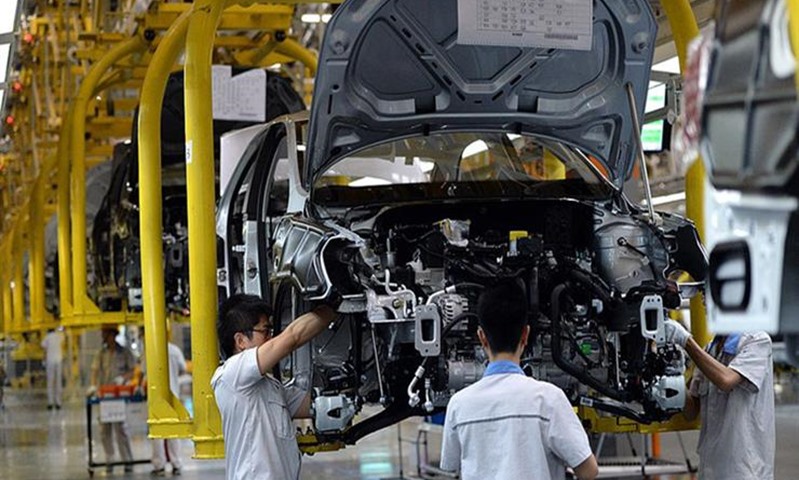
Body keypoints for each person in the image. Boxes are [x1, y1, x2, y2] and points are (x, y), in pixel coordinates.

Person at [440, 281, 599, 480]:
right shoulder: (549, 400)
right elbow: (588, 471)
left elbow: (451, 466)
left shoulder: (459, 405)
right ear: (525, 335)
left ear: (481, 337)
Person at [211, 294, 338, 480]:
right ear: (240, 341)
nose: (271, 338)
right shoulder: (232, 374)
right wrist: (334, 306)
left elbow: (309, 404)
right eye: (265, 331)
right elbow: (292, 338)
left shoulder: (271, 387)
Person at [665, 320, 775, 479]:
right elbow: (691, 412)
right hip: (710, 469)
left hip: (744, 472)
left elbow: (726, 380)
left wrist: (686, 341)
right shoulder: (710, 350)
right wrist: (675, 377)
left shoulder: (757, 341)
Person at [89, 325, 137, 474]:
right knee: (105, 430)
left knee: (121, 429)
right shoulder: (101, 353)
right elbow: (95, 371)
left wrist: (123, 378)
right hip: (104, 396)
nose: (103, 337)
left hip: (118, 395)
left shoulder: (124, 352)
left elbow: (133, 370)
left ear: (113, 335)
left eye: (106, 334)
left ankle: (127, 460)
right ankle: (109, 460)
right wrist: (93, 386)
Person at [144, 335, 188, 477]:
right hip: (173, 395)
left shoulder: (150, 351)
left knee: (157, 431)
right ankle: (177, 464)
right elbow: (183, 369)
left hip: (155, 396)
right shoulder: (175, 350)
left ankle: (159, 465)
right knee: (173, 431)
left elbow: (144, 373)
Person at [41, 328, 65, 410]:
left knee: (50, 381)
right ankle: (58, 402)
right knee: (58, 381)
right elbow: (63, 339)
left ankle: (50, 403)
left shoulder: (46, 337)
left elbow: (44, 350)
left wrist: (43, 360)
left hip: (50, 361)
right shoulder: (59, 336)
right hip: (58, 360)